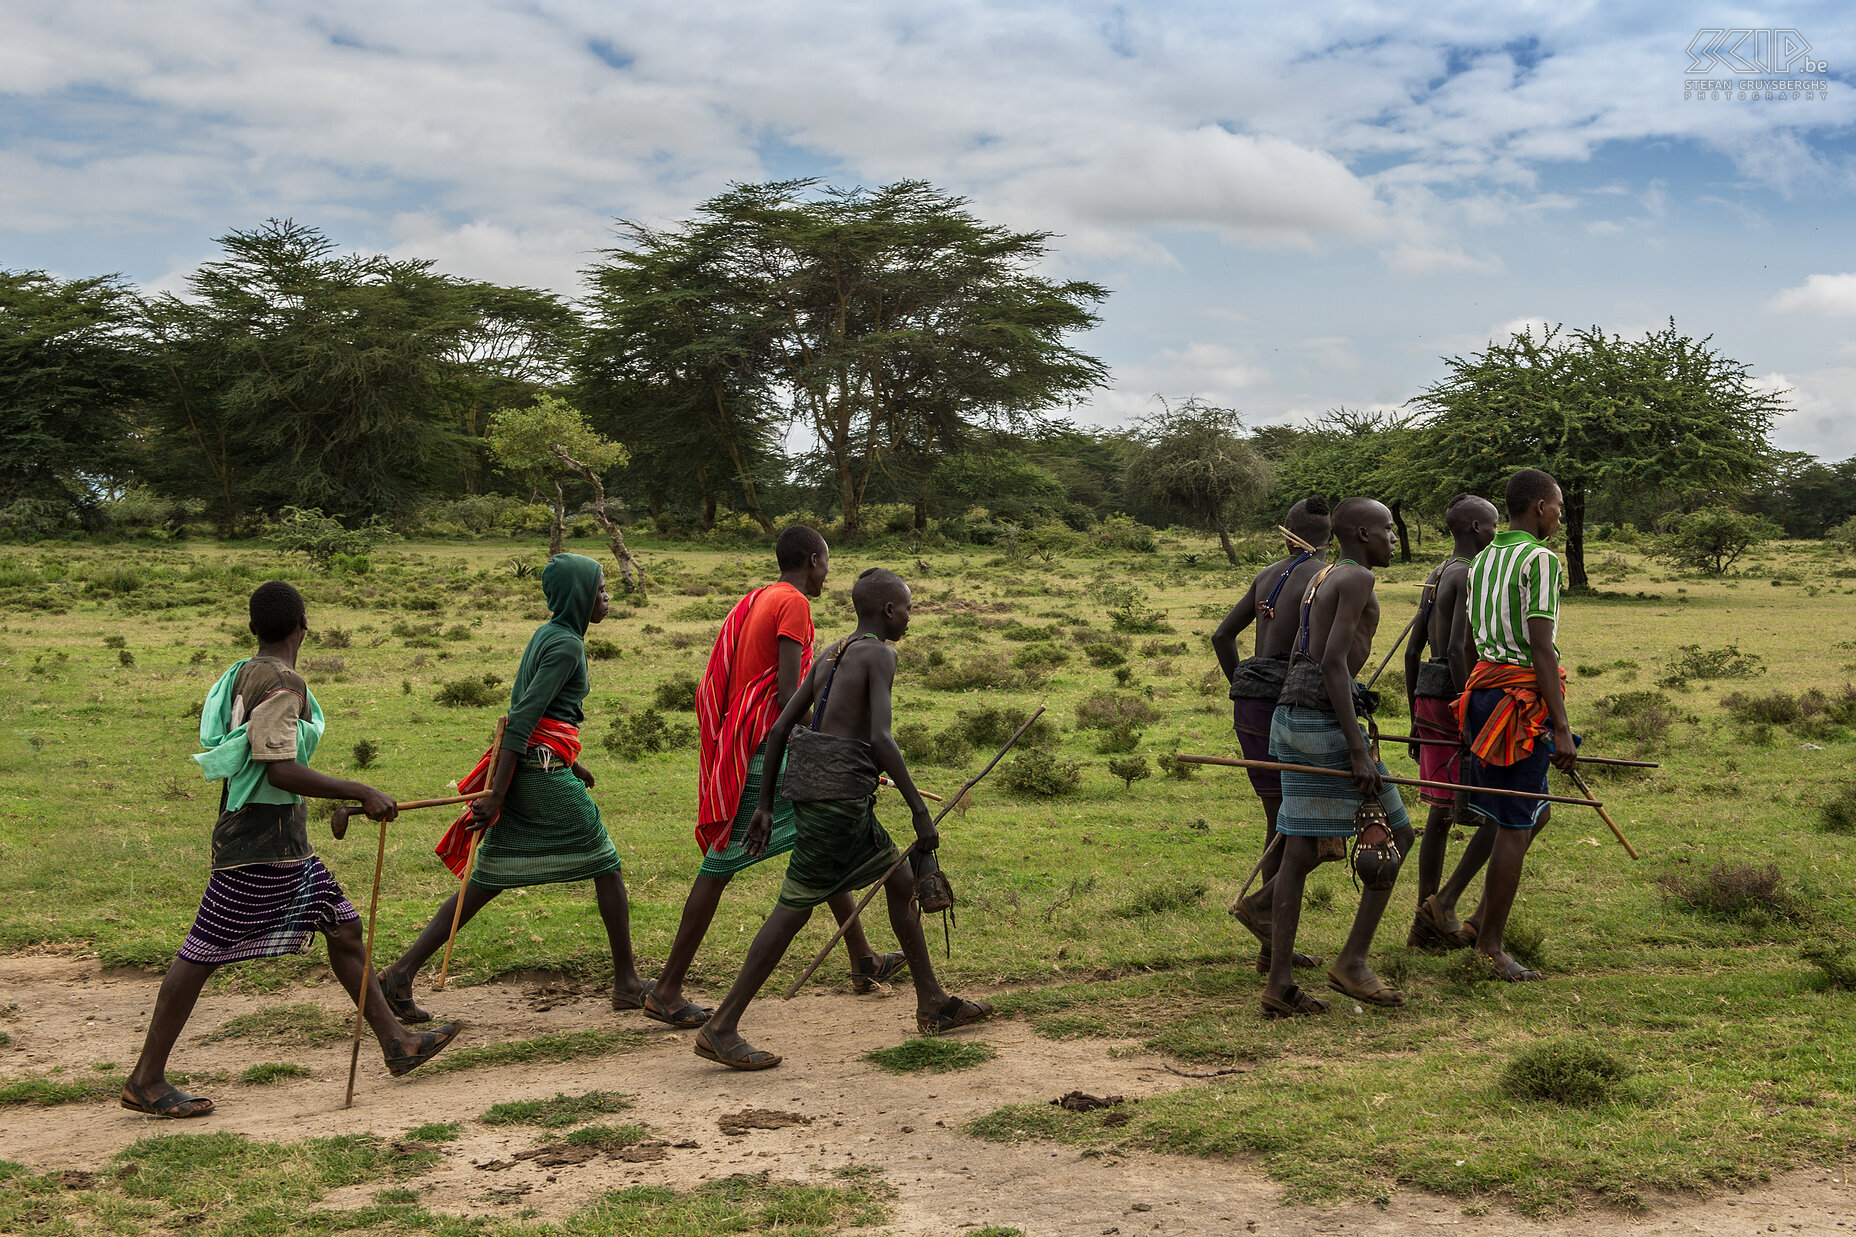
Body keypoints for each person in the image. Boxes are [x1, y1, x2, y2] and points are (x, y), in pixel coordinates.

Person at [124, 582, 458, 1118]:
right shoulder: (284, 681)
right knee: (201, 954)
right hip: (261, 845)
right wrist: (360, 790)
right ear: (303, 624)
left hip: (276, 838)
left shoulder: (242, 673)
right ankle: (146, 1079)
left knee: (344, 928)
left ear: (255, 628)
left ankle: (397, 1042)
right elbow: (278, 766)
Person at [692, 569, 993, 1069]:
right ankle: (721, 1026)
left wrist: (767, 804)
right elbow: (880, 737)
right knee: (793, 908)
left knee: (898, 882)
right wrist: (920, 811)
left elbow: (784, 725)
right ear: (890, 611)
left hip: (818, 792)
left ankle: (933, 1002)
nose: (909, 618)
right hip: (838, 804)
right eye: (908, 609)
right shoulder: (880, 654)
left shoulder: (830, 652)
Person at [642, 527, 903, 1029]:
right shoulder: (794, 606)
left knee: (820, 843)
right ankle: (668, 987)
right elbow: (787, 697)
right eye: (826, 561)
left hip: (748, 738)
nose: (828, 571)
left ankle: (863, 960)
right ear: (812, 559)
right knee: (722, 861)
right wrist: (840, 749)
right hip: (766, 750)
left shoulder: (757, 597)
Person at [379, 554, 649, 1017]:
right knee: (606, 863)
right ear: (579, 595)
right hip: (537, 774)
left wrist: (571, 764)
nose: (607, 598)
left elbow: (542, 717)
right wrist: (497, 793)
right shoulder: (567, 645)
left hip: (538, 765)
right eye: (601, 589)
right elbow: (523, 720)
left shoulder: (549, 634)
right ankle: (626, 982)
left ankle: (400, 974)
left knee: (486, 881)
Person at [1261, 498, 1415, 1018]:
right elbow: (1330, 663)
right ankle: (1353, 962)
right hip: (1323, 716)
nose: (1395, 538)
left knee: (1300, 852)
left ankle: (1280, 983)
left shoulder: (1323, 573)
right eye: (1389, 530)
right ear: (1363, 533)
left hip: (1292, 712)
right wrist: (1357, 749)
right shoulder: (1356, 580)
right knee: (1399, 832)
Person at [1433, 469, 1576, 982]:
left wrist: (1474, 701)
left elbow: (1468, 641)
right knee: (1518, 821)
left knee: (1527, 814)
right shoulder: (1540, 560)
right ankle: (1491, 946)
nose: (1559, 515)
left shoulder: (1483, 558)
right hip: (1518, 702)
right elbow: (1541, 647)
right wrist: (1560, 727)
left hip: (1483, 694)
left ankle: (1450, 904)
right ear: (1539, 507)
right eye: (1557, 506)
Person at [1211, 496, 1332, 973]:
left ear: (1287, 535)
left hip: (1251, 703)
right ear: (1332, 538)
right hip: (1291, 703)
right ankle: (1264, 925)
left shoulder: (1266, 574)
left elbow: (1222, 637)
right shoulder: (1325, 577)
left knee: (1278, 821)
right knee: (1296, 825)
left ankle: (1271, 949)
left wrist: (1245, 683)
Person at [1402, 494, 1499, 948]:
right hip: (1454, 696)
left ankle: (1427, 914)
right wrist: (1467, 708)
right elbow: (1460, 647)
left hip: (1426, 693)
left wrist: (1412, 716)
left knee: (1440, 812)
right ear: (1477, 528)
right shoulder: (1473, 573)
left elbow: (1411, 650)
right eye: (1494, 526)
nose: (1496, 535)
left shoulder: (1436, 572)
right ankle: (1438, 911)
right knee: (1499, 807)